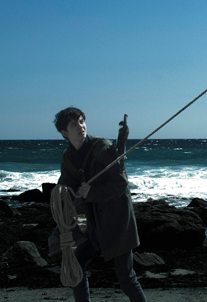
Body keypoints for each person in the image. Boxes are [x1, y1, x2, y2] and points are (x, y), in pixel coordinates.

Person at [54, 107, 146, 302]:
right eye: (74, 124)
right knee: (76, 266)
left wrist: (92, 192)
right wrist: (62, 192)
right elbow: (66, 185)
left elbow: (121, 184)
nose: (81, 126)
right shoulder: (68, 157)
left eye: (82, 121)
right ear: (64, 133)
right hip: (93, 223)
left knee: (127, 279)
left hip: (117, 222)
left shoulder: (103, 148)